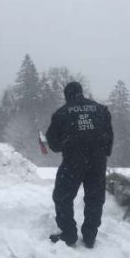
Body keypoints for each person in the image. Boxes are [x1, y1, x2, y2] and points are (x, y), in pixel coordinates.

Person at [46, 81, 113, 248]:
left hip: (73, 161)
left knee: (62, 196)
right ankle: (90, 236)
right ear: (81, 92)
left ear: (67, 95)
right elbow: (109, 137)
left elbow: (53, 143)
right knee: (95, 198)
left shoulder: (62, 113)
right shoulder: (101, 110)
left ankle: (69, 233)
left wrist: (66, 143)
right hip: (98, 161)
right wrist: (102, 153)